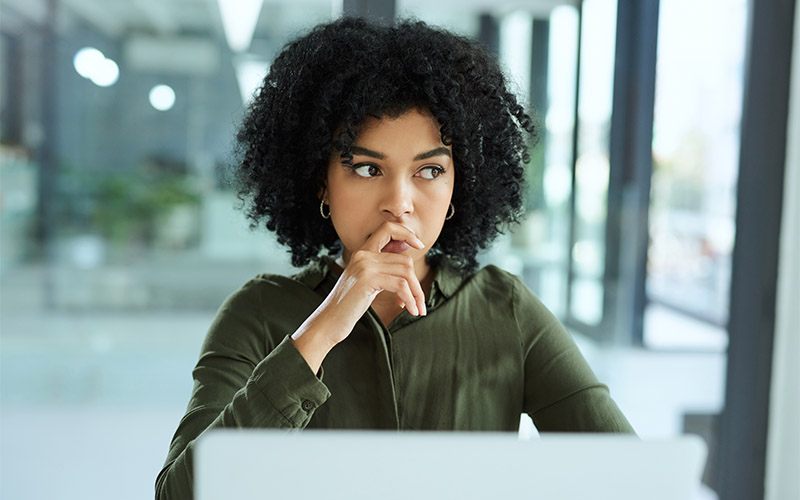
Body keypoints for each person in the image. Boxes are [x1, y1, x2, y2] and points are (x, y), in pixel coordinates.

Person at [155, 16, 634, 500]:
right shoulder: (257, 312)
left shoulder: (506, 310)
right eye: (367, 168)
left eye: (428, 170)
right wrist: (322, 329)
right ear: (322, 183)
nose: (399, 202)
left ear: (456, 190)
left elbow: (630, 477)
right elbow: (180, 493)